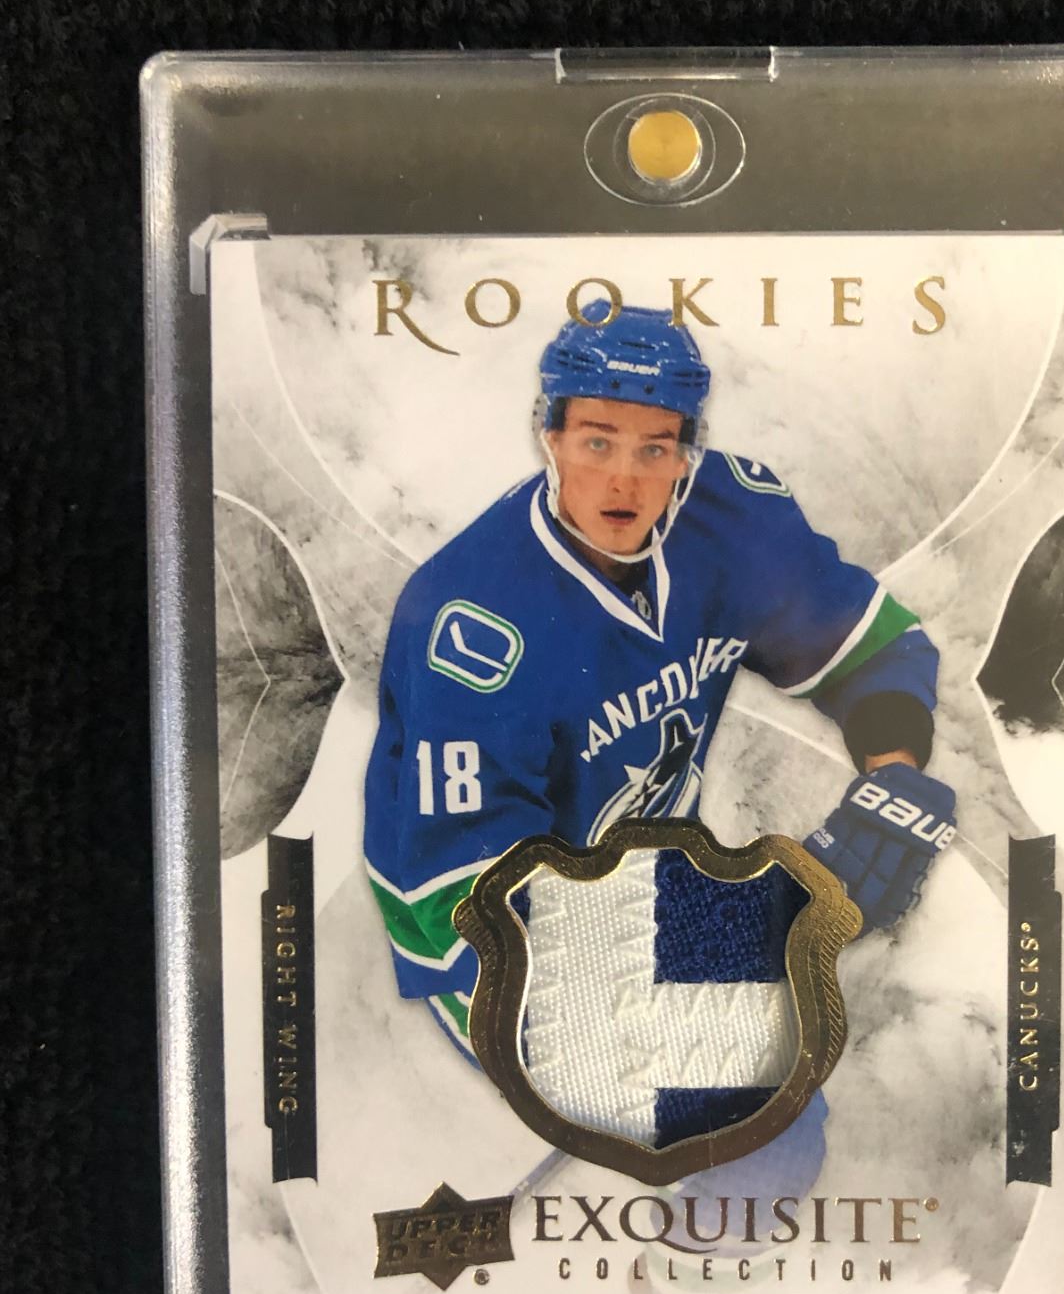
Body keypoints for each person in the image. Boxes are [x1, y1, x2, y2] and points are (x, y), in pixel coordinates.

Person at [363, 301, 956, 1161]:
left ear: (687, 452)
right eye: (597, 442)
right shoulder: (473, 625)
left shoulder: (729, 521)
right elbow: (474, 903)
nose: (625, 481)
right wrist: (760, 921)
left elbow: (874, 651)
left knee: (787, 1061)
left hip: (641, 862)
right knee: (767, 1127)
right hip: (474, 919)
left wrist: (891, 777)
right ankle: (679, 1230)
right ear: (549, 436)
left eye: (655, 448)